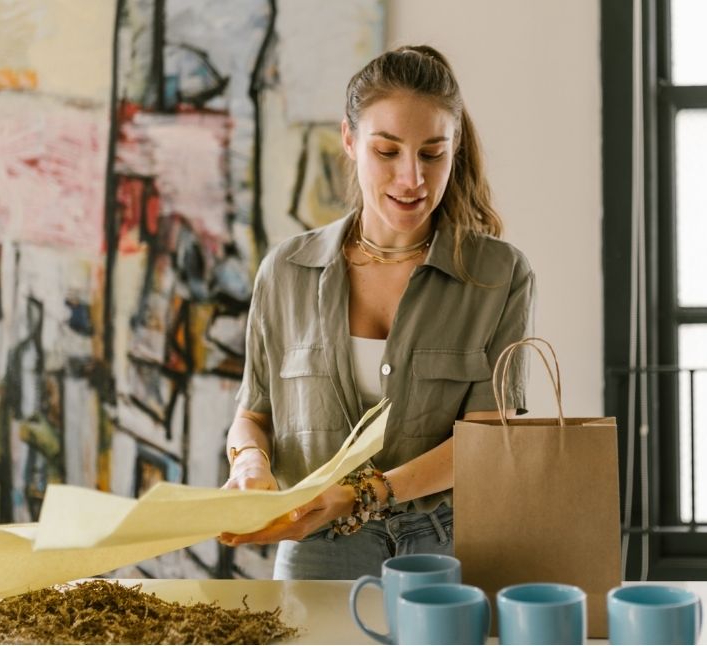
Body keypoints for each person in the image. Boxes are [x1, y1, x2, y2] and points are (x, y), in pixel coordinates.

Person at [218, 44, 534, 580]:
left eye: (433, 154)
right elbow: (254, 415)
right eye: (387, 151)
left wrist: (361, 494)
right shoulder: (286, 271)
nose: (412, 179)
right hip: (315, 546)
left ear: (455, 148)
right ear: (349, 139)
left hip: (449, 546)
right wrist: (250, 463)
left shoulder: (498, 276)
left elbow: (486, 443)